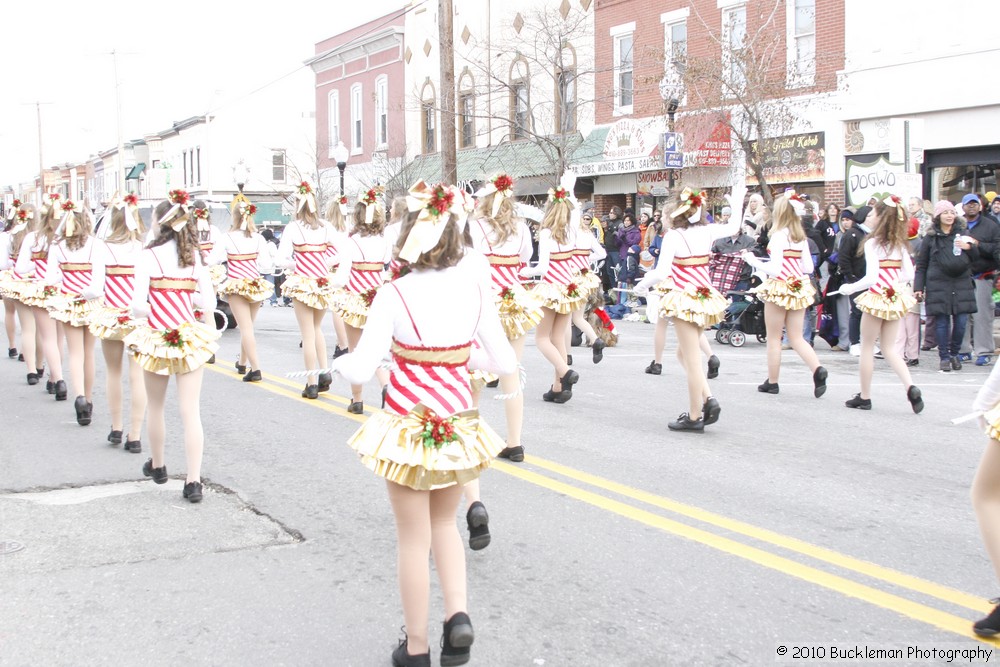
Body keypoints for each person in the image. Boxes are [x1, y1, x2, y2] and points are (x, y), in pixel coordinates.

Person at [331, 180, 516, 667]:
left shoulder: (394, 294)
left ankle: (415, 647)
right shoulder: (475, 290)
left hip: (408, 425)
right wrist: (462, 355)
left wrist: (337, 367)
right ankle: (458, 617)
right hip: (456, 423)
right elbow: (503, 362)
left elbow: (361, 365)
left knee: (413, 537)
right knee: (445, 524)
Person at [124, 190, 220, 503]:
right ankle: (193, 481)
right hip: (188, 337)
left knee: (157, 406)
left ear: (161, 222)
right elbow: (207, 302)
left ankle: (159, 465)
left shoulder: (147, 256)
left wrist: (157, 308)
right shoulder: (194, 257)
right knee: (190, 410)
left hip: (156, 337)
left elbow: (138, 305)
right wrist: (183, 299)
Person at [635, 186, 744, 432]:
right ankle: (709, 399)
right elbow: (733, 227)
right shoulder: (707, 231)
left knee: (692, 360)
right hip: (704, 297)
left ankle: (695, 416)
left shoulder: (675, 236)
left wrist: (642, 285)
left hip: (684, 298)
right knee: (683, 355)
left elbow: (661, 272)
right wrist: (737, 205)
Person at [838, 196, 923, 413]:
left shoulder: (873, 243)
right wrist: (892, 283)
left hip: (876, 297)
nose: (871, 216)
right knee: (889, 349)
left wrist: (851, 287)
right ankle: (910, 386)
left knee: (867, 347)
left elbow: (872, 278)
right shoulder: (900, 245)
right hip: (894, 298)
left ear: (882, 218)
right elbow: (908, 274)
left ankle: (865, 396)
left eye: (875, 213)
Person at [742, 193, 828, 399]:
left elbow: (775, 268)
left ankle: (772, 381)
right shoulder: (800, 237)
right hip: (798, 287)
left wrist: (752, 260)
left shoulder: (779, 235)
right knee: (797, 337)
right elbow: (808, 266)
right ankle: (817, 369)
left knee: (774, 338)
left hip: (780, 286)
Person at [86, 194, 148, 452]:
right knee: (138, 375)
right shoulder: (144, 248)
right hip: (137, 317)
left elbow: (95, 287)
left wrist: (85, 296)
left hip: (112, 315)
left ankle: (116, 427)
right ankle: (135, 435)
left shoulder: (103, 247)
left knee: (113, 372)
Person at [520, 176, 587, 404]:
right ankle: (559, 386)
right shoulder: (572, 231)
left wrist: (525, 273)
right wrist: (569, 188)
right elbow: (575, 211)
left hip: (551, 287)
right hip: (568, 287)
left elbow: (543, 267)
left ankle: (565, 371)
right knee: (558, 336)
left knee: (541, 338)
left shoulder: (548, 233)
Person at [330, 188, 392, 414]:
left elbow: (343, 276)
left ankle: (357, 399)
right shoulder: (384, 243)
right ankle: (386, 386)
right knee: (378, 349)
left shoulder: (351, 242)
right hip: (378, 301)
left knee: (356, 351)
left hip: (355, 299)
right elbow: (385, 266)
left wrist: (333, 284)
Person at [277, 182, 339, 399]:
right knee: (316, 328)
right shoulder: (326, 227)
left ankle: (311, 382)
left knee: (307, 333)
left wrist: (299, 265)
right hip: (322, 282)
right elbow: (342, 253)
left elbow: (280, 259)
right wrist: (324, 263)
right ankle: (324, 372)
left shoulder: (293, 228)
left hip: (303, 282)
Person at [45, 201, 101, 425]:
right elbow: (98, 281)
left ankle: (79, 397)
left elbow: (50, 278)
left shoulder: (57, 247)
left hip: (69, 302)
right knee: (89, 353)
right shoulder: (96, 245)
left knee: (75, 352)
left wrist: (65, 278)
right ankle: (88, 399)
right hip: (91, 303)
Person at [913, 200, 977, 372]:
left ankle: (955, 353)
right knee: (941, 321)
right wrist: (918, 287)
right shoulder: (931, 237)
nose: (949, 216)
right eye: (945, 213)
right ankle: (944, 356)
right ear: (938, 216)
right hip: (938, 282)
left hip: (961, 282)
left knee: (961, 321)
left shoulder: (963, 233)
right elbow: (922, 264)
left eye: (952, 212)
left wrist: (969, 247)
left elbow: (976, 256)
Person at [15, 194, 67, 400]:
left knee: (48, 338)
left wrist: (35, 267)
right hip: (63, 292)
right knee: (60, 338)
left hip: (41, 290)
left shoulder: (33, 238)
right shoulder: (65, 239)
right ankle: (55, 379)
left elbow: (20, 267)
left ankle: (59, 379)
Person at [218, 200, 273, 382]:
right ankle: (242, 362)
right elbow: (266, 265)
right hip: (255, 284)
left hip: (236, 285)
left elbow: (214, 259)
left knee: (246, 328)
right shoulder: (258, 238)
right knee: (247, 326)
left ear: (234, 217)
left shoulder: (227, 237)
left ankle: (256, 369)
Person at [0, 204, 44, 385]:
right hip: (39, 284)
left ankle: (31, 370)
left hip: (18, 283)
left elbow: (3, 264)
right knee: (42, 329)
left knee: (27, 327)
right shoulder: (41, 237)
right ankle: (41, 365)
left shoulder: (8, 237)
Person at [957, 193, 1000, 366]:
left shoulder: (991, 225)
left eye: (975, 204)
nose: (972, 206)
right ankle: (963, 350)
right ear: (964, 207)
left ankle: (984, 351)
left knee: (983, 315)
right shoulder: (958, 225)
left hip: (984, 275)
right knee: (962, 316)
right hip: (961, 276)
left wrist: (977, 244)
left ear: (980, 206)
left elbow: (996, 248)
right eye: (968, 204)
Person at [838, 205, 873, 355]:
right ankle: (855, 341)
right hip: (856, 278)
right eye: (871, 216)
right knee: (857, 310)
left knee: (869, 312)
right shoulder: (852, 234)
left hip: (870, 278)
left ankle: (868, 341)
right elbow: (844, 257)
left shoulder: (872, 235)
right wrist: (851, 277)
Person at [325, 195, 352, 357]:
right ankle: (340, 342)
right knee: (344, 308)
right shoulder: (347, 228)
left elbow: (341, 254)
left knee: (337, 309)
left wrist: (323, 263)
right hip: (346, 271)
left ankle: (343, 344)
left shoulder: (330, 230)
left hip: (332, 271)